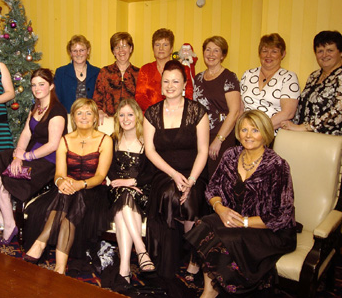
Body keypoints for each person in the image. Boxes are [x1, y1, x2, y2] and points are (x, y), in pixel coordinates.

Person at [185, 110, 297, 297]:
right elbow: (212, 189)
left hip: (268, 229)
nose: (248, 135)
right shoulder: (231, 155)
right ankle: (209, 291)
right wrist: (220, 209)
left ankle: (221, 291)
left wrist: (243, 222)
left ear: (265, 133)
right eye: (244, 130)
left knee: (224, 237)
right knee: (204, 224)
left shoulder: (277, 166)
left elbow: (282, 215)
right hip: (232, 217)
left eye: (254, 130)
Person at [0, 68, 67, 247]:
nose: (36, 88)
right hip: (31, 156)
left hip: (47, 163)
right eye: (33, 85)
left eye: (41, 84)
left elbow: (53, 145)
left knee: (5, 176)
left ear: (51, 86)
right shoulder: (36, 107)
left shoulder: (57, 111)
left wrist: (26, 155)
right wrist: (18, 156)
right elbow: (26, 134)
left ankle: (1, 219)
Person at [23, 98, 113, 274]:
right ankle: (60, 268)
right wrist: (61, 183)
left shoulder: (105, 140)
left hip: (94, 190)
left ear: (95, 117)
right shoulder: (65, 140)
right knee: (67, 200)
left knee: (74, 196)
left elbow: (101, 176)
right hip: (67, 190)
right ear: (74, 118)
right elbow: (59, 174)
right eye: (79, 113)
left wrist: (80, 184)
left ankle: (41, 242)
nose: (84, 117)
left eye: (88, 113)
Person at [143, 60, 209, 279]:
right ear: (161, 84)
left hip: (194, 172)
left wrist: (190, 180)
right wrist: (173, 174)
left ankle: (193, 256)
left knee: (188, 199)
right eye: (166, 81)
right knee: (171, 192)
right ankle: (168, 256)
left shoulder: (198, 111)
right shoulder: (151, 113)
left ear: (184, 84)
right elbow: (150, 151)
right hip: (163, 172)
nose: (170, 85)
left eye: (175, 81)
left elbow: (203, 151)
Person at [108, 99, 155, 283]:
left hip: (141, 190)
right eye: (121, 115)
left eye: (130, 114)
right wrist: (121, 182)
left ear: (137, 116)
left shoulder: (148, 140)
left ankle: (124, 270)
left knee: (122, 211)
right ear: (117, 118)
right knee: (124, 196)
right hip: (116, 189)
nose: (126, 119)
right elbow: (109, 169)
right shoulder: (112, 140)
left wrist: (134, 181)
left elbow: (152, 171)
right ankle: (141, 250)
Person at [281, 30, 342, 138]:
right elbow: (302, 108)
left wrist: (303, 127)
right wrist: (290, 126)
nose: (324, 55)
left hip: (329, 142)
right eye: (320, 51)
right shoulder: (314, 76)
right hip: (303, 138)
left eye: (330, 50)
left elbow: (338, 113)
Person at [194, 36, 242, 178]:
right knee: (202, 177)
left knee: (219, 178)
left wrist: (218, 140)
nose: (211, 54)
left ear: (223, 55)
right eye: (208, 50)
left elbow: (235, 112)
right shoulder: (198, 78)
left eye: (216, 50)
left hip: (222, 135)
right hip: (201, 135)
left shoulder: (229, 77)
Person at [240, 33, 300, 130]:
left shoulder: (288, 77)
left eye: (274, 51)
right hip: (246, 132)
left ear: (283, 54)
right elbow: (240, 109)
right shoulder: (248, 74)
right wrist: (243, 130)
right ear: (259, 53)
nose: (268, 55)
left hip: (272, 133)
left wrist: (259, 130)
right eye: (265, 51)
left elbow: (288, 113)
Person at [93, 32, 139, 121]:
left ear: (131, 49)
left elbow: (142, 102)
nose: (121, 50)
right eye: (117, 47)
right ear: (113, 51)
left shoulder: (139, 73)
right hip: (109, 122)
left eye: (125, 46)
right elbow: (97, 99)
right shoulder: (104, 72)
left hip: (132, 122)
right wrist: (99, 111)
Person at [54, 35, 101, 112]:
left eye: (82, 50)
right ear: (70, 53)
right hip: (68, 117)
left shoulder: (97, 72)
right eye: (75, 51)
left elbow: (101, 100)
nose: (78, 54)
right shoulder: (61, 73)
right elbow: (56, 100)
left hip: (91, 118)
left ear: (88, 51)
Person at [135, 28, 174, 112]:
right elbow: (139, 97)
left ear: (171, 49)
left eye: (165, 45)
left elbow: (187, 96)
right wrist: (156, 111)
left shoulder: (182, 69)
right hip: (150, 116)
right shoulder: (145, 69)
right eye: (157, 45)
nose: (161, 48)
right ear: (153, 48)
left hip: (175, 116)